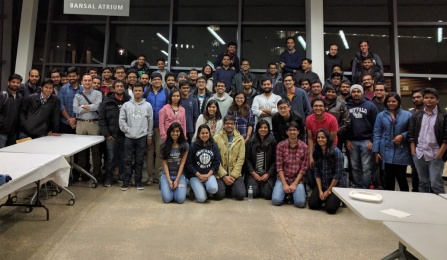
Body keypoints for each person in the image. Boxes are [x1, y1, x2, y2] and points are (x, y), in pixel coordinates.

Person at [408, 88, 447, 195]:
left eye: (432, 98)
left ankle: (441, 208)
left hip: (436, 155)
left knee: (436, 184)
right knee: (423, 183)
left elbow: (446, 138)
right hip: (419, 154)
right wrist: (413, 151)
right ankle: (425, 206)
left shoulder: (444, 115)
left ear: (437, 100)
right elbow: (411, 134)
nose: (428, 100)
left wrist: (439, 154)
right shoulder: (417, 115)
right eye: (426, 97)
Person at [373, 92, 411, 191]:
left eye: (394, 101)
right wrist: (376, 151)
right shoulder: (381, 115)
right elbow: (377, 133)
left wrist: (403, 136)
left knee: (402, 178)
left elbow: (412, 131)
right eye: (389, 101)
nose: (391, 103)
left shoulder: (407, 115)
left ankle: (407, 201)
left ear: (398, 102)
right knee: (388, 179)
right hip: (385, 150)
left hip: (401, 150)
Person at [119, 83, 154, 191]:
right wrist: (128, 130)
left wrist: (149, 136)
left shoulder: (147, 105)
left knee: (139, 160)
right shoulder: (126, 105)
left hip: (142, 137)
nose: (138, 92)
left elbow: (150, 121)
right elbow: (122, 120)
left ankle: (138, 180)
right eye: (136, 90)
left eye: (140, 90)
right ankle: (126, 180)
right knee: (127, 159)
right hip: (129, 136)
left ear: (143, 92)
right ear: (132, 91)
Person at [98, 79, 131, 187]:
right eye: (117, 86)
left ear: (124, 88)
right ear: (113, 88)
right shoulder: (107, 101)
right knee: (110, 157)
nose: (120, 88)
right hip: (111, 135)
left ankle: (121, 176)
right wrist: (107, 134)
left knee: (123, 156)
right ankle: (108, 178)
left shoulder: (129, 101)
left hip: (125, 135)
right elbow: (101, 119)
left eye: (122, 86)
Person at [345, 84, 378, 189]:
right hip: (352, 142)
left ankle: (365, 187)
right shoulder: (347, 106)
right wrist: (346, 140)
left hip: (366, 141)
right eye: (353, 92)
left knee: (366, 167)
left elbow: (376, 125)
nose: (356, 93)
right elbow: (344, 124)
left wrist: (372, 140)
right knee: (354, 167)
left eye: (358, 91)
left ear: (362, 93)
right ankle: (358, 186)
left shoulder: (370, 105)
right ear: (351, 93)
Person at [73, 74, 103, 180]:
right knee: (81, 150)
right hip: (80, 124)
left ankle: (97, 173)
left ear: (92, 81)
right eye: (85, 80)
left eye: (89, 80)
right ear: (82, 82)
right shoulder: (78, 95)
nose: (87, 82)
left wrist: (83, 106)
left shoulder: (98, 93)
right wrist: (90, 107)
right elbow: (75, 109)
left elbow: (97, 106)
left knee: (95, 150)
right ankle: (84, 173)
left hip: (93, 124)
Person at [272, 121, 308, 208]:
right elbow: (279, 166)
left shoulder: (304, 147)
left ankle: (291, 194)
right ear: (286, 132)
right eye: (290, 130)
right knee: (276, 201)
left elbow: (303, 168)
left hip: (297, 179)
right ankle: (287, 193)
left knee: (300, 203)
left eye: (294, 130)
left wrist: (295, 184)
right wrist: (284, 184)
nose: (292, 132)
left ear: (298, 132)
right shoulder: (280, 145)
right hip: (283, 178)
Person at [308, 129, 345, 214]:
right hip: (323, 183)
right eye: (318, 138)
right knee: (312, 205)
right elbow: (317, 173)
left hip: (336, 185)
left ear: (327, 139)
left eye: (323, 137)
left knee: (330, 209)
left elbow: (338, 175)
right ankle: (326, 197)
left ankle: (333, 198)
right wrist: (320, 190)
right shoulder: (316, 152)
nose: (320, 139)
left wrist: (328, 192)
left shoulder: (336, 152)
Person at [213, 115, 246, 200]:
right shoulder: (216, 138)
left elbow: (240, 159)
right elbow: (215, 159)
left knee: (240, 195)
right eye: (227, 123)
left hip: (234, 173)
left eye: (232, 123)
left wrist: (233, 176)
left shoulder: (240, 139)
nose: (229, 126)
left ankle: (229, 187)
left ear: (234, 125)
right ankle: (226, 187)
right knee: (218, 195)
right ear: (223, 125)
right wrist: (224, 176)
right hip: (220, 173)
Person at [144, 72, 169, 185]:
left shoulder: (166, 92)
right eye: (154, 79)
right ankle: (149, 175)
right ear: (151, 81)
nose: (157, 81)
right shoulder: (146, 92)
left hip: (160, 126)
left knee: (159, 151)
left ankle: (158, 175)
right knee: (149, 151)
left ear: (161, 81)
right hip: (147, 125)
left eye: (159, 79)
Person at [185, 124, 220, 203]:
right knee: (201, 199)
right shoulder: (193, 146)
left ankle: (204, 187)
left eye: (207, 133)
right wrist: (199, 175)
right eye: (202, 133)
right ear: (198, 134)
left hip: (209, 175)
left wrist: (208, 175)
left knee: (213, 189)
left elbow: (216, 163)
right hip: (195, 176)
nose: (205, 135)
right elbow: (189, 164)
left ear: (209, 134)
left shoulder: (214, 146)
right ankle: (195, 189)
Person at [244, 120, 277, 200]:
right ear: (257, 129)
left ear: (269, 129)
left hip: (267, 174)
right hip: (254, 173)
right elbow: (247, 160)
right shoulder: (251, 142)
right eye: (261, 127)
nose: (263, 129)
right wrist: (254, 173)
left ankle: (263, 186)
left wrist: (268, 174)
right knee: (253, 193)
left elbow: (276, 161)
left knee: (267, 195)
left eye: (265, 127)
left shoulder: (273, 141)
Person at [160, 122, 188, 204]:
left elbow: (182, 164)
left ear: (180, 132)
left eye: (177, 131)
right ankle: (166, 186)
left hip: (180, 175)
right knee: (167, 199)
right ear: (169, 132)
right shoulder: (163, 146)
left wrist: (177, 180)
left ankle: (179, 189)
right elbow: (165, 164)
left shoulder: (185, 146)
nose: (175, 133)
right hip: (167, 175)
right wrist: (169, 180)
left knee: (180, 199)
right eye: (172, 131)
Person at [306, 98, 338, 167]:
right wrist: (310, 156)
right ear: (312, 107)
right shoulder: (308, 119)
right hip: (316, 146)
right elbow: (310, 138)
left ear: (324, 107)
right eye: (315, 106)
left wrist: (326, 153)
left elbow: (332, 139)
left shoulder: (332, 119)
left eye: (321, 106)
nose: (318, 108)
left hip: (330, 146)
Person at [0, 74, 23, 148]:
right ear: (8, 82)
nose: (15, 84)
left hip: (13, 132)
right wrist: (2, 124)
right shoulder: (3, 95)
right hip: (2, 131)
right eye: (13, 82)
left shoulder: (20, 96)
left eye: (18, 82)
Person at [59, 66, 83, 134]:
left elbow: (83, 106)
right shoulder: (63, 89)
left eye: (74, 76)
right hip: (65, 122)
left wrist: (75, 119)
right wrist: (69, 120)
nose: (71, 78)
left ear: (78, 76)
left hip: (79, 123)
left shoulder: (82, 89)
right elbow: (61, 106)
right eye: (70, 76)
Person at [409, 88, 424, 192]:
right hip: (415, 149)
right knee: (415, 174)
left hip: (430, 150)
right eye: (414, 97)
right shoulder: (410, 113)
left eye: (418, 97)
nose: (416, 99)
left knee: (430, 177)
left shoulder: (431, 112)